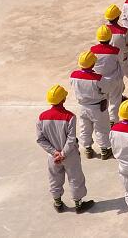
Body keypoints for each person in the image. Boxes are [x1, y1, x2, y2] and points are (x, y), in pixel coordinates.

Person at [37, 84, 94, 214]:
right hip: (70, 155)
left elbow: (40, 139)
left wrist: (54, 153)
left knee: (54, 178)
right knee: (75, 178)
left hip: (53, 157)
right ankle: (78, 204)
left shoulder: (42, 117)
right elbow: (71, 139)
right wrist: (63, 153)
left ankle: (58, 203)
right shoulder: (70, 116)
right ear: (63, 99)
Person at [70, 51, 110, 160]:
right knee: (101, 128)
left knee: (84, 128)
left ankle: (87, 149)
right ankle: (104, 150)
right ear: (93, 64)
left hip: (82, 107)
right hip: (97, 107)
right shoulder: (98, 78)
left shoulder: (74, 76)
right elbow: (106, 89)